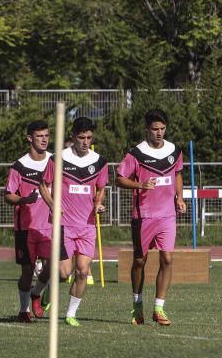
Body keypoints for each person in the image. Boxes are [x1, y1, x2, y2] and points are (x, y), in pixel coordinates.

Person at [115, 109, 186, 326]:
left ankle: (159, 309)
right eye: (155, 129)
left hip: (167, 215)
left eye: (162, 129)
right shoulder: (136, 154)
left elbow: (177, 174)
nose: (159, 133)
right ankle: (137, 305)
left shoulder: (174, 151)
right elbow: (119, 179)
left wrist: (180, 198)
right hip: (144, 215)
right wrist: (139, 184)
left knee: (167, 259)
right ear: (147, 129)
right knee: (139, 261)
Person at [39, 117, 108, 327]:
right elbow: (43, 185)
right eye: (81, 138)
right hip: (64, 224)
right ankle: (46, 291)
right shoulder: (58, 159)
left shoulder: (99, 161)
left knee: (83, 271)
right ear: (73, 137)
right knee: (63, 272)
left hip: (87, 225)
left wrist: (98, 204)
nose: (85, 142)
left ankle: (70, 314)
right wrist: (53, 205)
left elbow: (101, 188)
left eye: (89, 137)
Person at [3, 120, 55, 323]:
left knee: (57, 270)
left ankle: (37, 292)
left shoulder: (54, 160)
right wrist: (24, 200)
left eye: (47, 135)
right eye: (39, 136)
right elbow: (8, 195)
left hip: (50, 225)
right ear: (29, 138)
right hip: (26, 227)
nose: (44, 139)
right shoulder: (20, 165)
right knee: (27, 270)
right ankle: (23, 310)